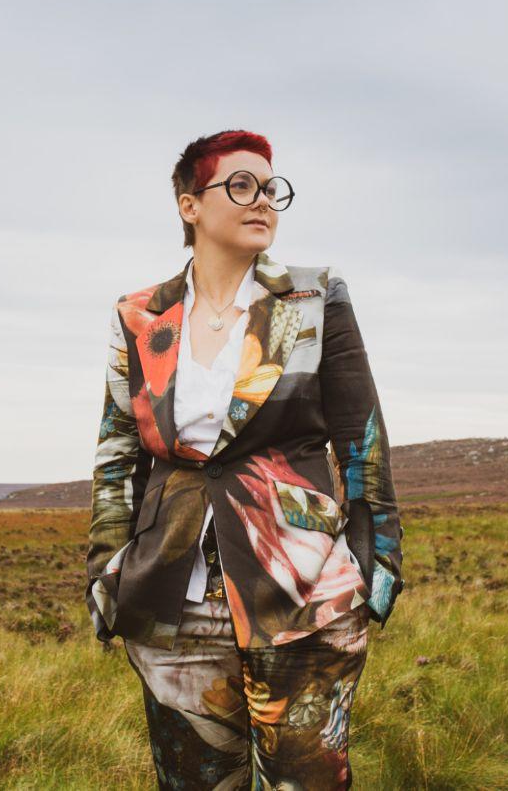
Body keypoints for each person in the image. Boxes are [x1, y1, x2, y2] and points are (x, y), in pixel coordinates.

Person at [86, 129, 404, 789]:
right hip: (171, 594)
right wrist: (106, 574)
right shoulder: (139, 316)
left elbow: (361, 440)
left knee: (305, 782)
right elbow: (117, 456)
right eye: (241, 185)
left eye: (270, 188)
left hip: (304, 589)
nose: (263, 200)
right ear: (189, 205)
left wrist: (372, 572)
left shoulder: (314, 300)